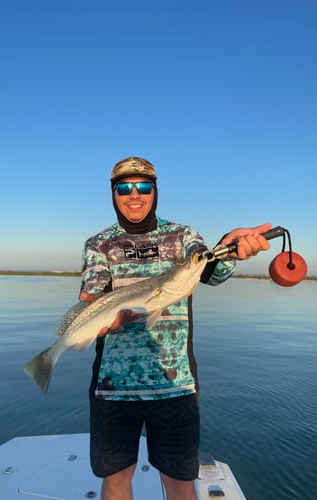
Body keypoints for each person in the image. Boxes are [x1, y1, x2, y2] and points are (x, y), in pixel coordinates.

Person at [79, 157, 271, 500]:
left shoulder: (183, 236)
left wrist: (230, 248)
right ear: (113, 193)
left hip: (176, 386)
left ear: (155, 191)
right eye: (124, 187)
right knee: (116, 481)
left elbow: (210, 269)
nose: (134, 194)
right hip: (113, 388)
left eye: (143, 186)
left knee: (181, 485)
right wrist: (102, 313)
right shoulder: (98, 244)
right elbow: (95, 293)